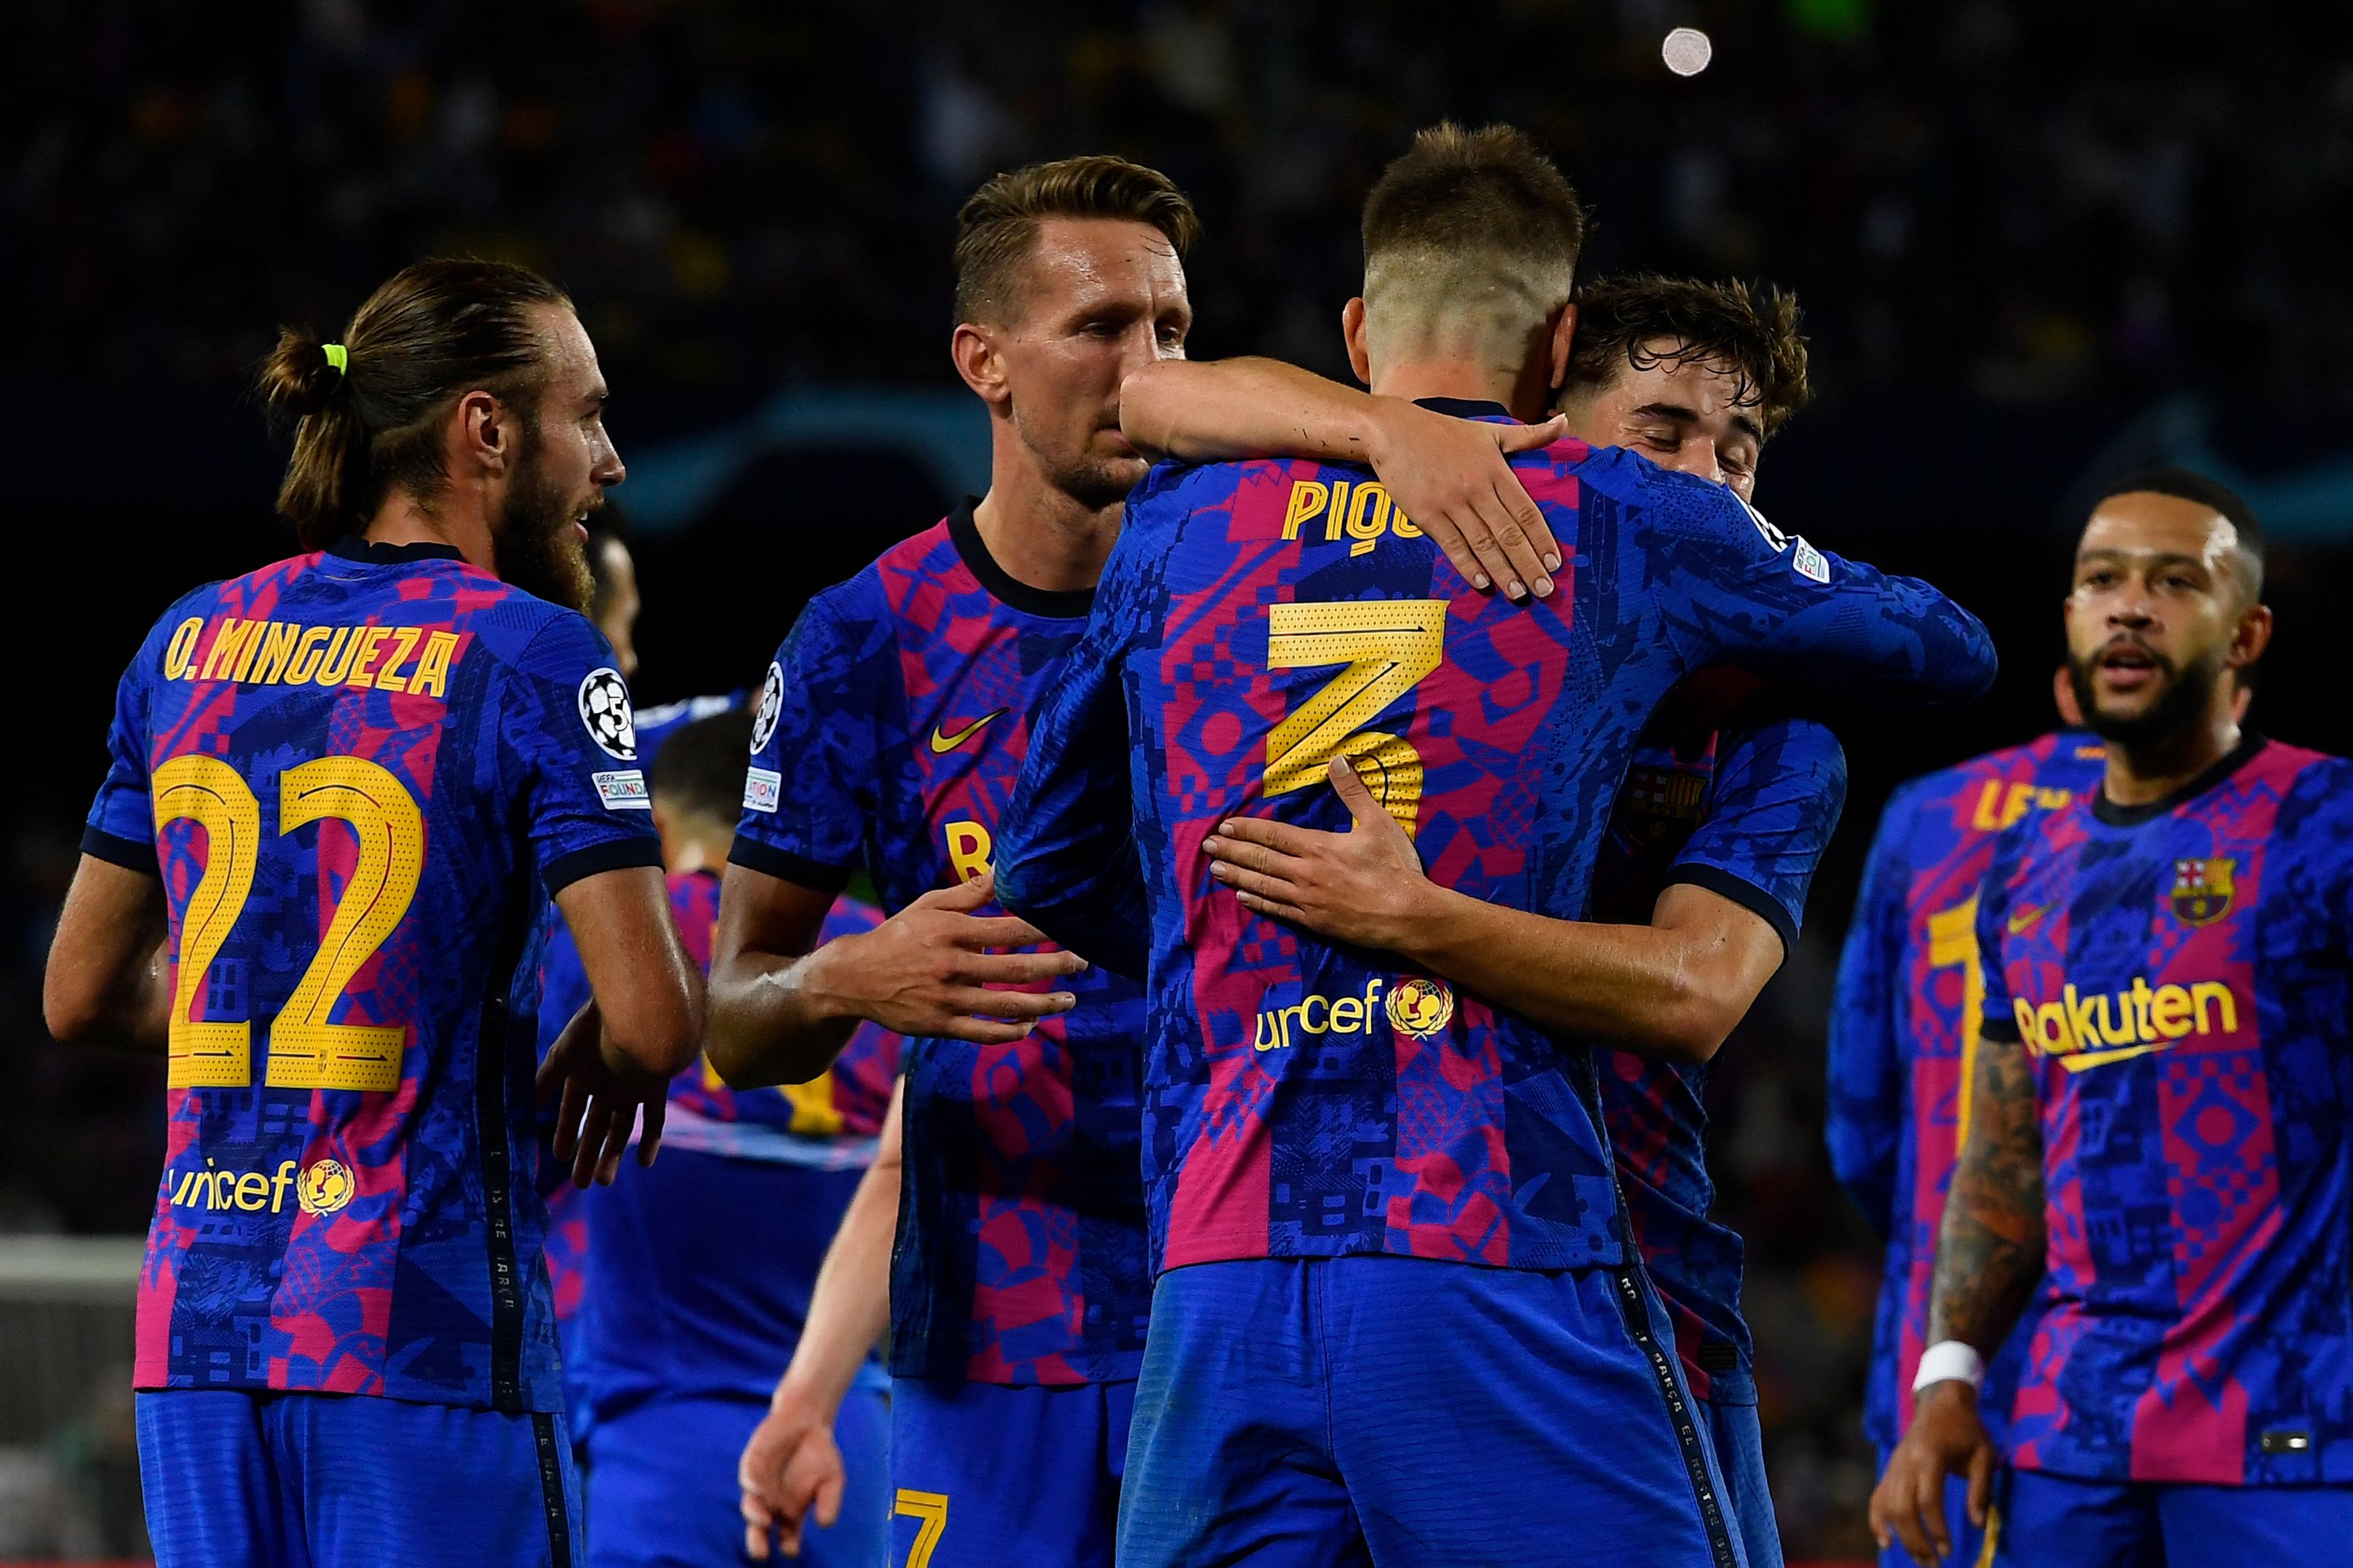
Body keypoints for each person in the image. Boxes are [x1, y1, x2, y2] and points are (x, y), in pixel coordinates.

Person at [996, 121, 1996, 1568]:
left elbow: (1044, 863)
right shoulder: (1624, 517)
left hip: (1218, 1249)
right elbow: (1948, 652)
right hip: (1488, 1229)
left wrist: (1238, 939)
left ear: (1356, 330)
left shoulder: (1176, 521)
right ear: (1561, 346)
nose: (1698, 463)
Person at [1120, 269, 1843, 1568]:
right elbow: (1150, 396)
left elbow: (1694, 995)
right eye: (1660, 433)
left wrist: (1415, 917)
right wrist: (1382, 427)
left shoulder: (1774, 732)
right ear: (1536, 428)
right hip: (1338, 1257)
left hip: (1636, 1289)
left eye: (1739, 453)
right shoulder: (1413, 648)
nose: (1704, 482)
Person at [41, 258, 704, 1568]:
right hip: (421, 1330)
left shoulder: (185, 641)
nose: (610, 462)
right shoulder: (531, 650)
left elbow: (81, 996)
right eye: (588, 415)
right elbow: (653, 1022)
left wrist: (301, 998)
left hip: (201, 1339)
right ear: (487, 430)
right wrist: (608, 1043)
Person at [711, 156, 1191, 1568]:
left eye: (1170, 328)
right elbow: (730, 1019)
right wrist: (851, 971)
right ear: (981, 363)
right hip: (989, 1339)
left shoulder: (1248, 601)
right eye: (1099, 327)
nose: (1146, 369)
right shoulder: (864, 639)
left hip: (1228, 1313)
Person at [1871, 469, 2353, 1567]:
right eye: (2103, 580)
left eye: (2175, 581)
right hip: (2066, 1435)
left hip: (2295, 1435)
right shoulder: (2025, 869)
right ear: (2072, 621)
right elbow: (2002, 1152)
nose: (2129, 604)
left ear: (2247, 632)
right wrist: (1948, 1375)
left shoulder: (2328, 821)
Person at [537, 709, 899, 1568]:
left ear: (654, 830)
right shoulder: (889, 957)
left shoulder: (598, 952)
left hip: (657, 1436)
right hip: (854, 1438)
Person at [1829, 681, 2107, 1568]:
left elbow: (1859, 1117)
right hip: (2165, 1370)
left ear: (2062, 686)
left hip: (1938, 1364)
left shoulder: (1924, 815)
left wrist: (1939, 1246)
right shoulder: (2249, 824)